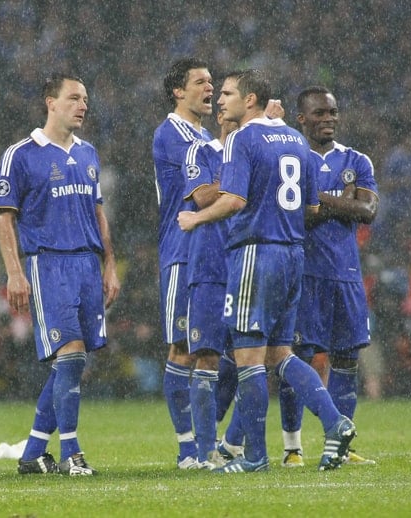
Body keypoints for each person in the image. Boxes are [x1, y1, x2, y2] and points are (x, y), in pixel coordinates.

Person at [178, 69, 356, 473]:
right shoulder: (296, 140)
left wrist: (197, 218)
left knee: (248, 357)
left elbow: (234, 200)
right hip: (294, 255)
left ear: (251, 99)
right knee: (281, 353)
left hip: (256, 253)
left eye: (227, 93)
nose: (220, 101)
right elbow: (311, 208)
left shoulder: (243, 138)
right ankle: (335, 421)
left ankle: (254, 457)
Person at [0, 73, 120, 476]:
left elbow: (98, 213)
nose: (82, 105)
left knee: (73, 361)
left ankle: (33, 453)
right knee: (69, 354)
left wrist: (110, 264)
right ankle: (71, 453)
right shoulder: (21, 154)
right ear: (50, 102)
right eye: (73, 98)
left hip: (87, 264)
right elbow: (4, 218)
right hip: (48, 262)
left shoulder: (88, 154)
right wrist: (15, 272)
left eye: (85, 99)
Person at [278, 86, 379, 468]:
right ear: (301, 118)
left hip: (346, 273)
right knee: (299, 358)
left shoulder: (356, 159)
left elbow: (367, 211)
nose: (329, 120)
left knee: (347, 358)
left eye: (333, 112)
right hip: (304, 273)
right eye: (319, 114)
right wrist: (344, 202)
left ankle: (342, 442)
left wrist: (321, 200)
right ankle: (292, 448)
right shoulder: (292, 158)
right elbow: (298, 214)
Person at [152, 57, 214, 469]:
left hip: (208, 250)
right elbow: (208, 191)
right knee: (182, 348)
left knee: (213, 350)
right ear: (179, 91)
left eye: (212, 82)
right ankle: (187, 448)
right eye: (200, 82)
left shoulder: (206, 134)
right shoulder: (171, 133)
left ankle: (212, 443)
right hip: (180, 250)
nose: (209, 87)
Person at [180, 110, 239, 470]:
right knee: (207, 356)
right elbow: (202, 197)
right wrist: (242, 177)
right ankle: (204, 452)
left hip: (249, 263)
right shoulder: (200, 151)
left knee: (251, 358)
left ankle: (232, 442)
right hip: (211, 266)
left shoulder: (258, 148)